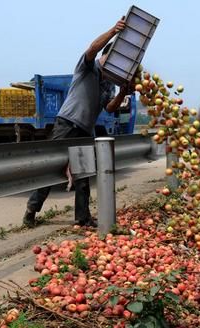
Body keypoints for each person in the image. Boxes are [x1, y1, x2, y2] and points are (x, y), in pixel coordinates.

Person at [23, 17, 133, 227]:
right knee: (52, 169)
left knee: (83, 174)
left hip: (85, 129)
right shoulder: (88, 67)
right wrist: (113, 31)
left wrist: (122, 94)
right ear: (106, 56)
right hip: (67, 124)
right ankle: (31, 209)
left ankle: (82, 218)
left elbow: (109, 107)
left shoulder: (109, 82)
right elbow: (92, 48)